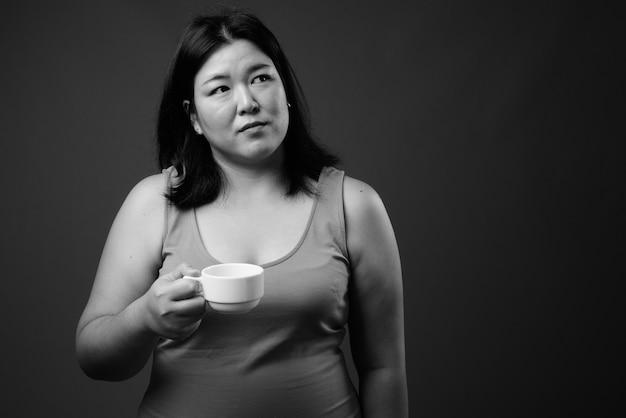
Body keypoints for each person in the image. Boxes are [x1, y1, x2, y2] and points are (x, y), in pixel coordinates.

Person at [76, 8, 408, 418]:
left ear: (284, 89)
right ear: (193, 117)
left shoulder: (355, 205)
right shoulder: (154, 202)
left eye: (261, 78)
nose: (248, 102)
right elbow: (94, 357)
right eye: (220, 89)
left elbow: (384, 368)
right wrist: (145, 318)